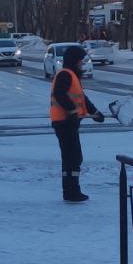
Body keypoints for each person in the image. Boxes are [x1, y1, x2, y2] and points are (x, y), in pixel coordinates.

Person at [49, 43, 104, 203]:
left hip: (69, 123)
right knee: (72, 158)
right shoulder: (65, 75)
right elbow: (60, 94)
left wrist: (95, 113)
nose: (82, 62)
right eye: (80, 60)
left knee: (71, 158)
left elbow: (82, 98)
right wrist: (72, 111)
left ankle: (71, 190)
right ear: (74, 61)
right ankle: (71, 192)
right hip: (64, 122)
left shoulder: (72, 76)